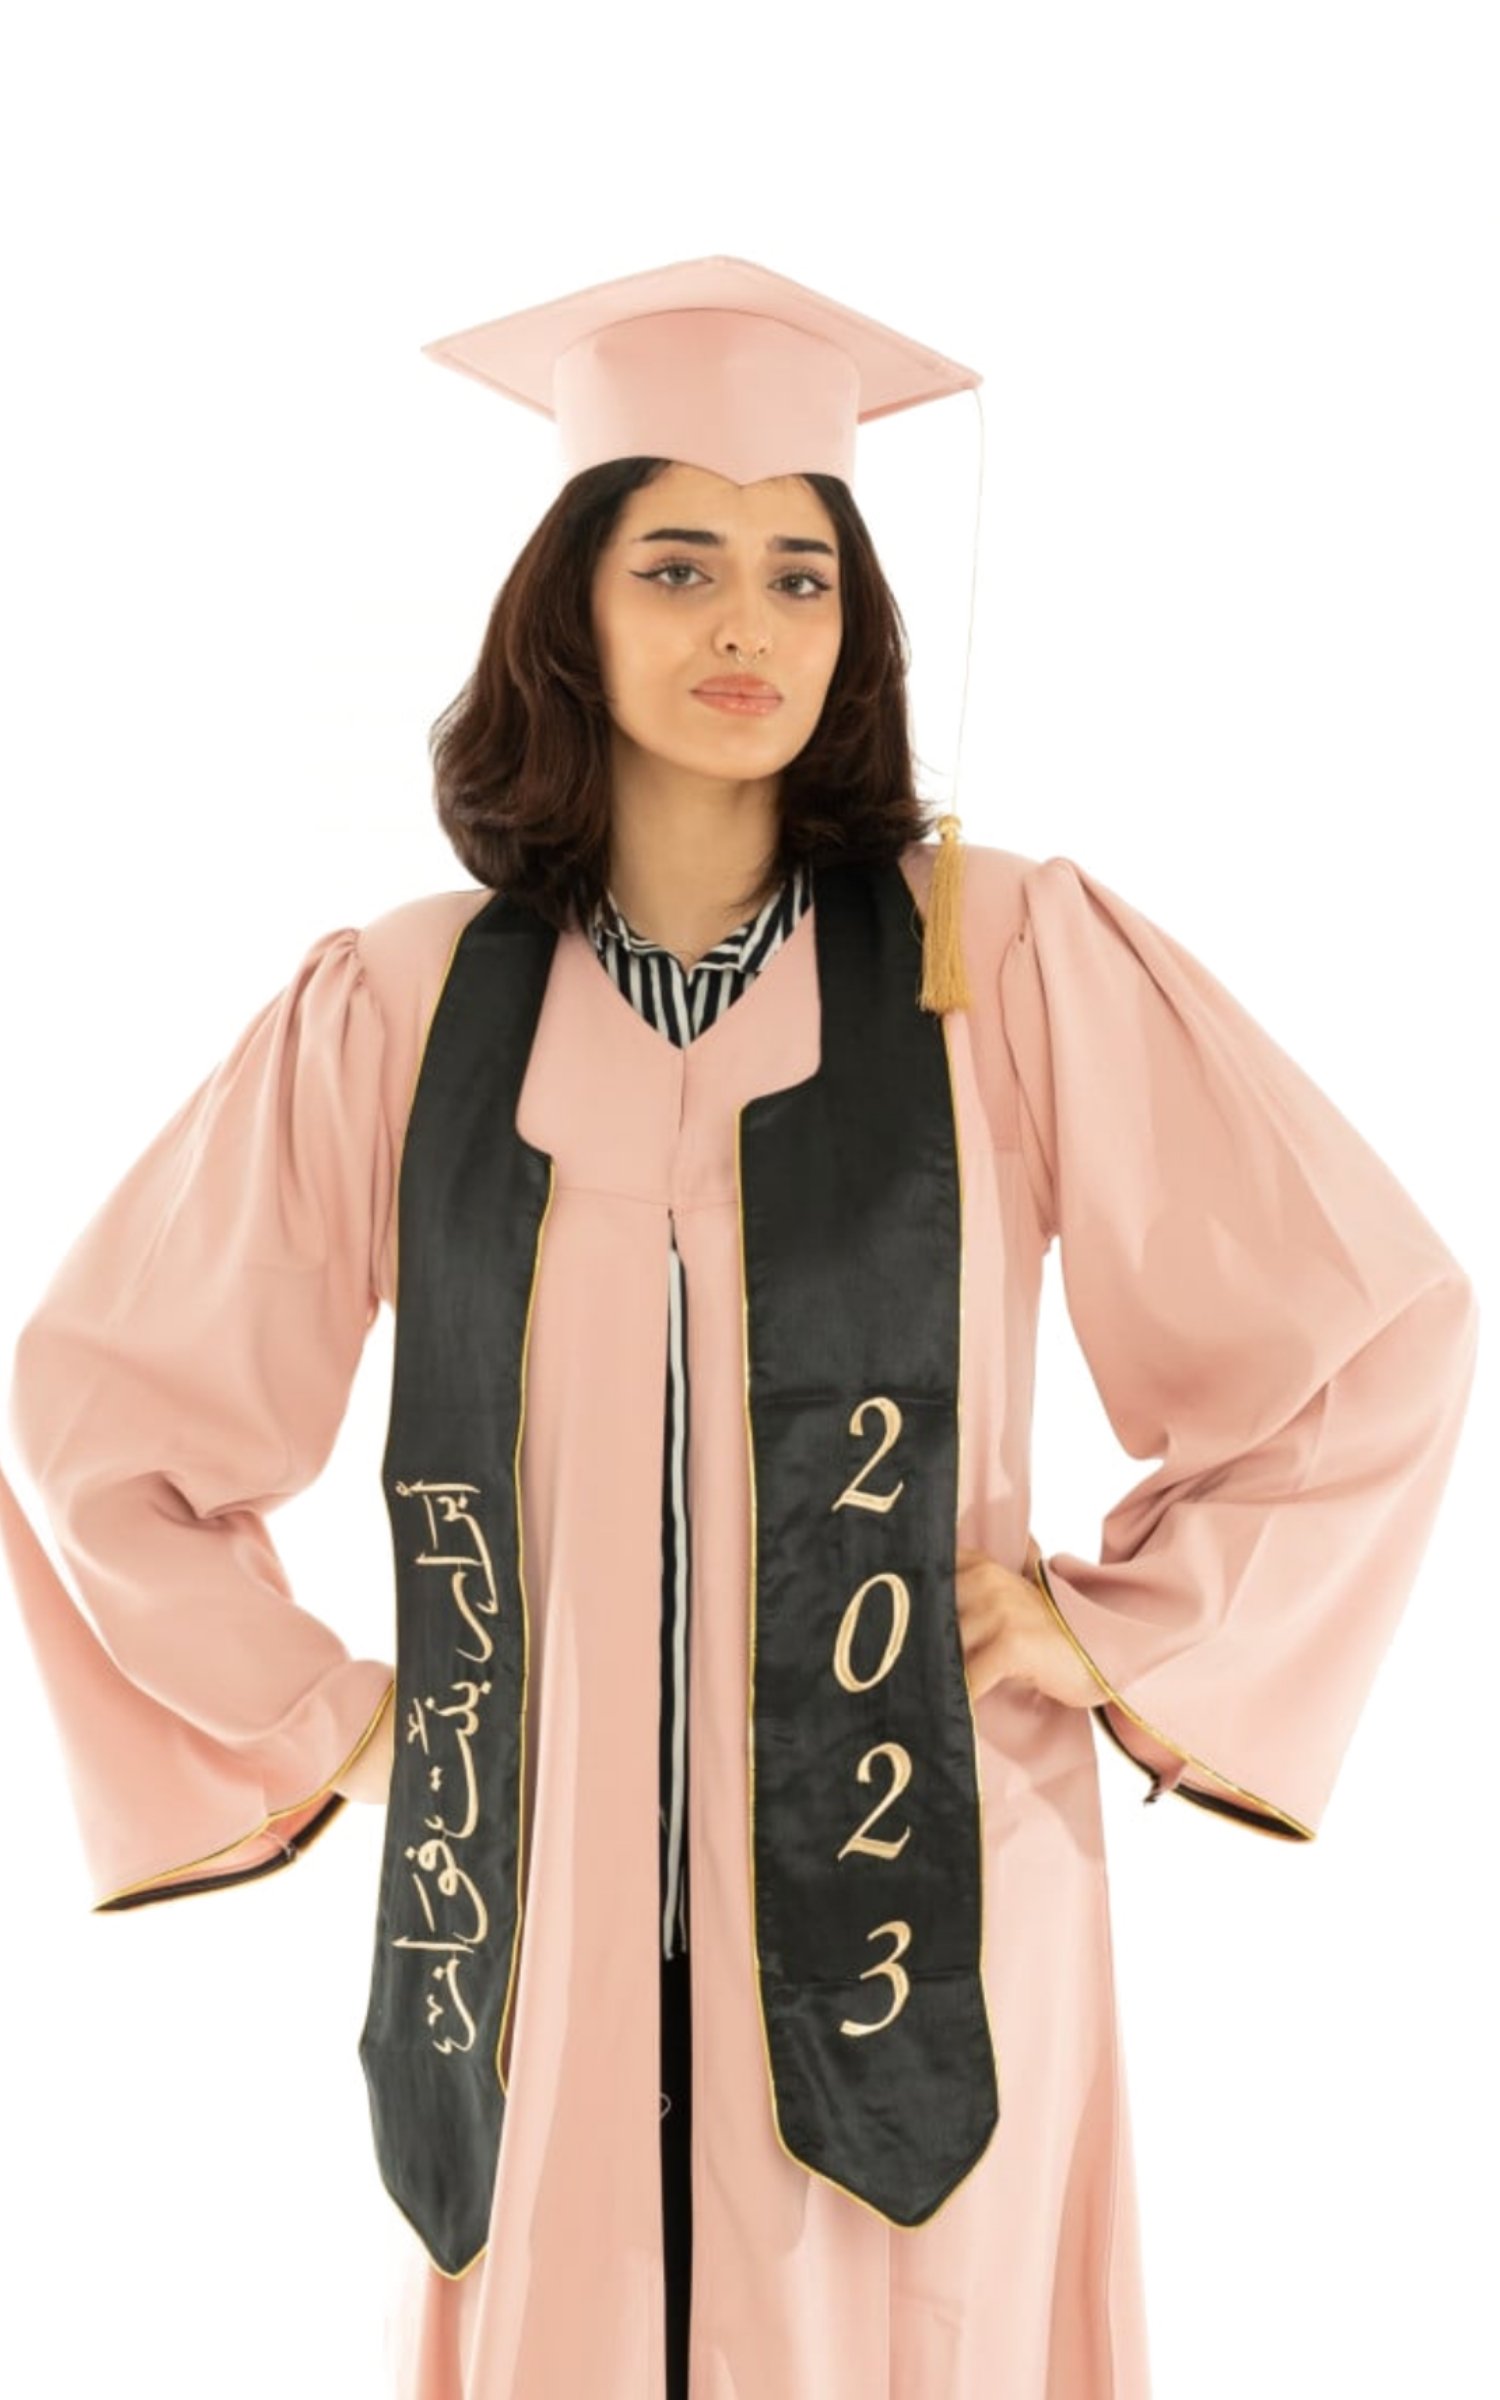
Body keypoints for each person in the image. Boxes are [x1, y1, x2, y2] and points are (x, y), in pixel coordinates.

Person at [0, 255, 1478, 2400]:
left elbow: (1367, 1325)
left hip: (923, 1905)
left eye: (802, 577)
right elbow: (100, 1412)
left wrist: (1123, 1630)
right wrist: (333, 1716)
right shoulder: (408, 1005)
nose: (748, 628)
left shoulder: (999, 955)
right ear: (570, 610)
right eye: (679, 565)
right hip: (543, 1918)